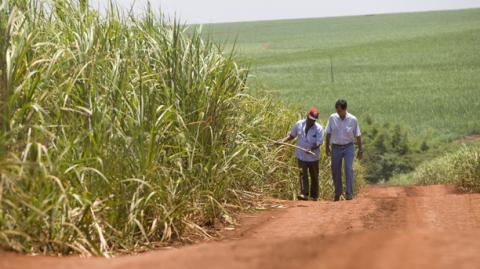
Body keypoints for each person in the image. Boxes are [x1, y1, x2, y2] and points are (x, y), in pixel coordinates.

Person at [277, 107, 324, 201]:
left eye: (313, 120)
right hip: (301, 155)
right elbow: (292, 135)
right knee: (302, 174)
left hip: (313, 157)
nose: (311, 121)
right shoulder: (299, 124)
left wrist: (311, 148)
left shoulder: (318, 128)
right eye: (310, 119)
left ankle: (314, 196)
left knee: (314, 176)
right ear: (307, 116)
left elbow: (319, 143)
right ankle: (304, 194)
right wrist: (282, 141)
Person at [325, 99, 363, 201]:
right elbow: (328, 133)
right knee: (335, 170)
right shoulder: (332, 118)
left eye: (340, 111)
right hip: (335, 147)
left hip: (348, 147)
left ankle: (349, 194)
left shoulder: (353, 119)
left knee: (348, 169)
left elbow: (358, 135)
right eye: (337, 110)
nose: (338, 113)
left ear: (345, 109)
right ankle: (337, 193)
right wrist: (326, 147)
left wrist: (360, 149)